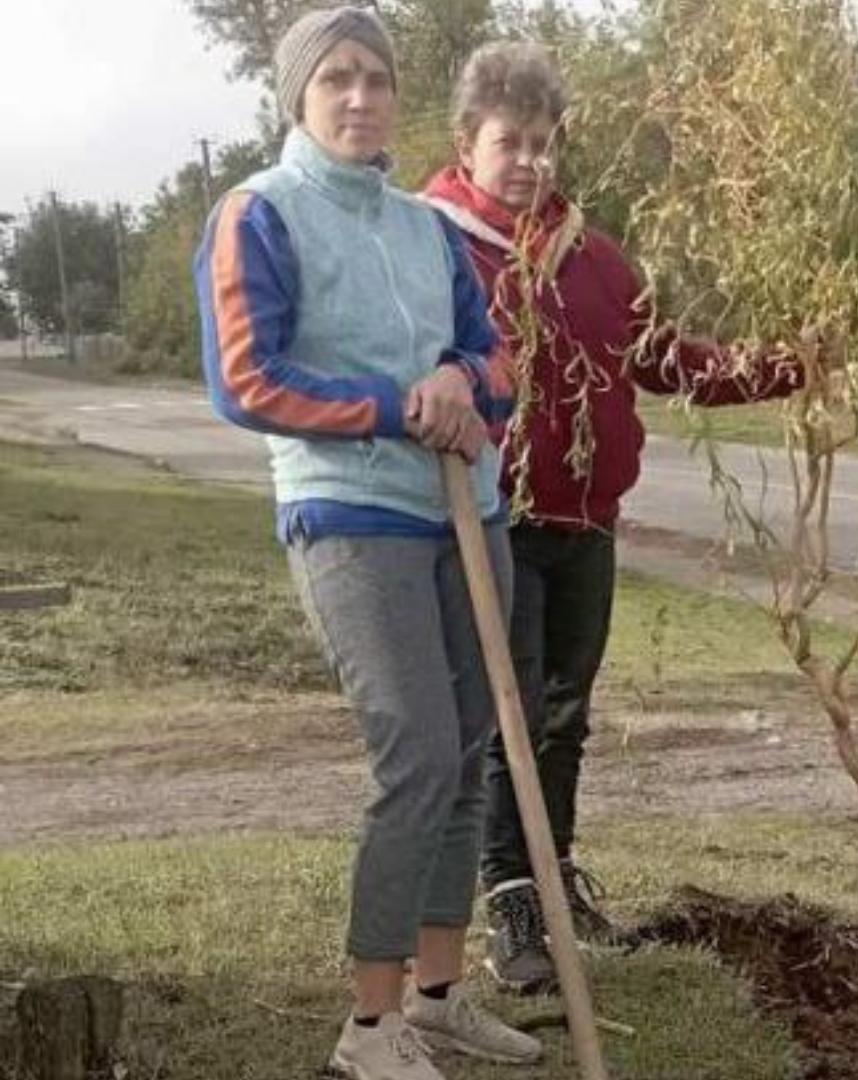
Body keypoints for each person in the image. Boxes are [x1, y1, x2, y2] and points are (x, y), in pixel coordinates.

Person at [195, 9, 542, 1078]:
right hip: (351, 514)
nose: (360, 98)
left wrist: (461, 382)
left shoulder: (425, 226)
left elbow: (495, 358)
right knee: (418, 754)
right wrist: (401, 405)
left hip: (464, 510)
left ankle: (438, 998)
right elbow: (248, 382)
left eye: (378, 79)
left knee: (471, 752)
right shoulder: (260, 213)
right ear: (298, 95)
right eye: (337, 78)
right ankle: (371, 1024)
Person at [421, 42, 802, 990]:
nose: (528, 162)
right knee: (507, 713)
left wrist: (787, 361)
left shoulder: (593, 259)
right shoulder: (431, 248)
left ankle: (554, 887)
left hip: (584, 521)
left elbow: (664, 359)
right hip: (491, 518)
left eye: (543, 143)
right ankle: (512, 896)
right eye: (509, 141)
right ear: (468, 144)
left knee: (564, 714)